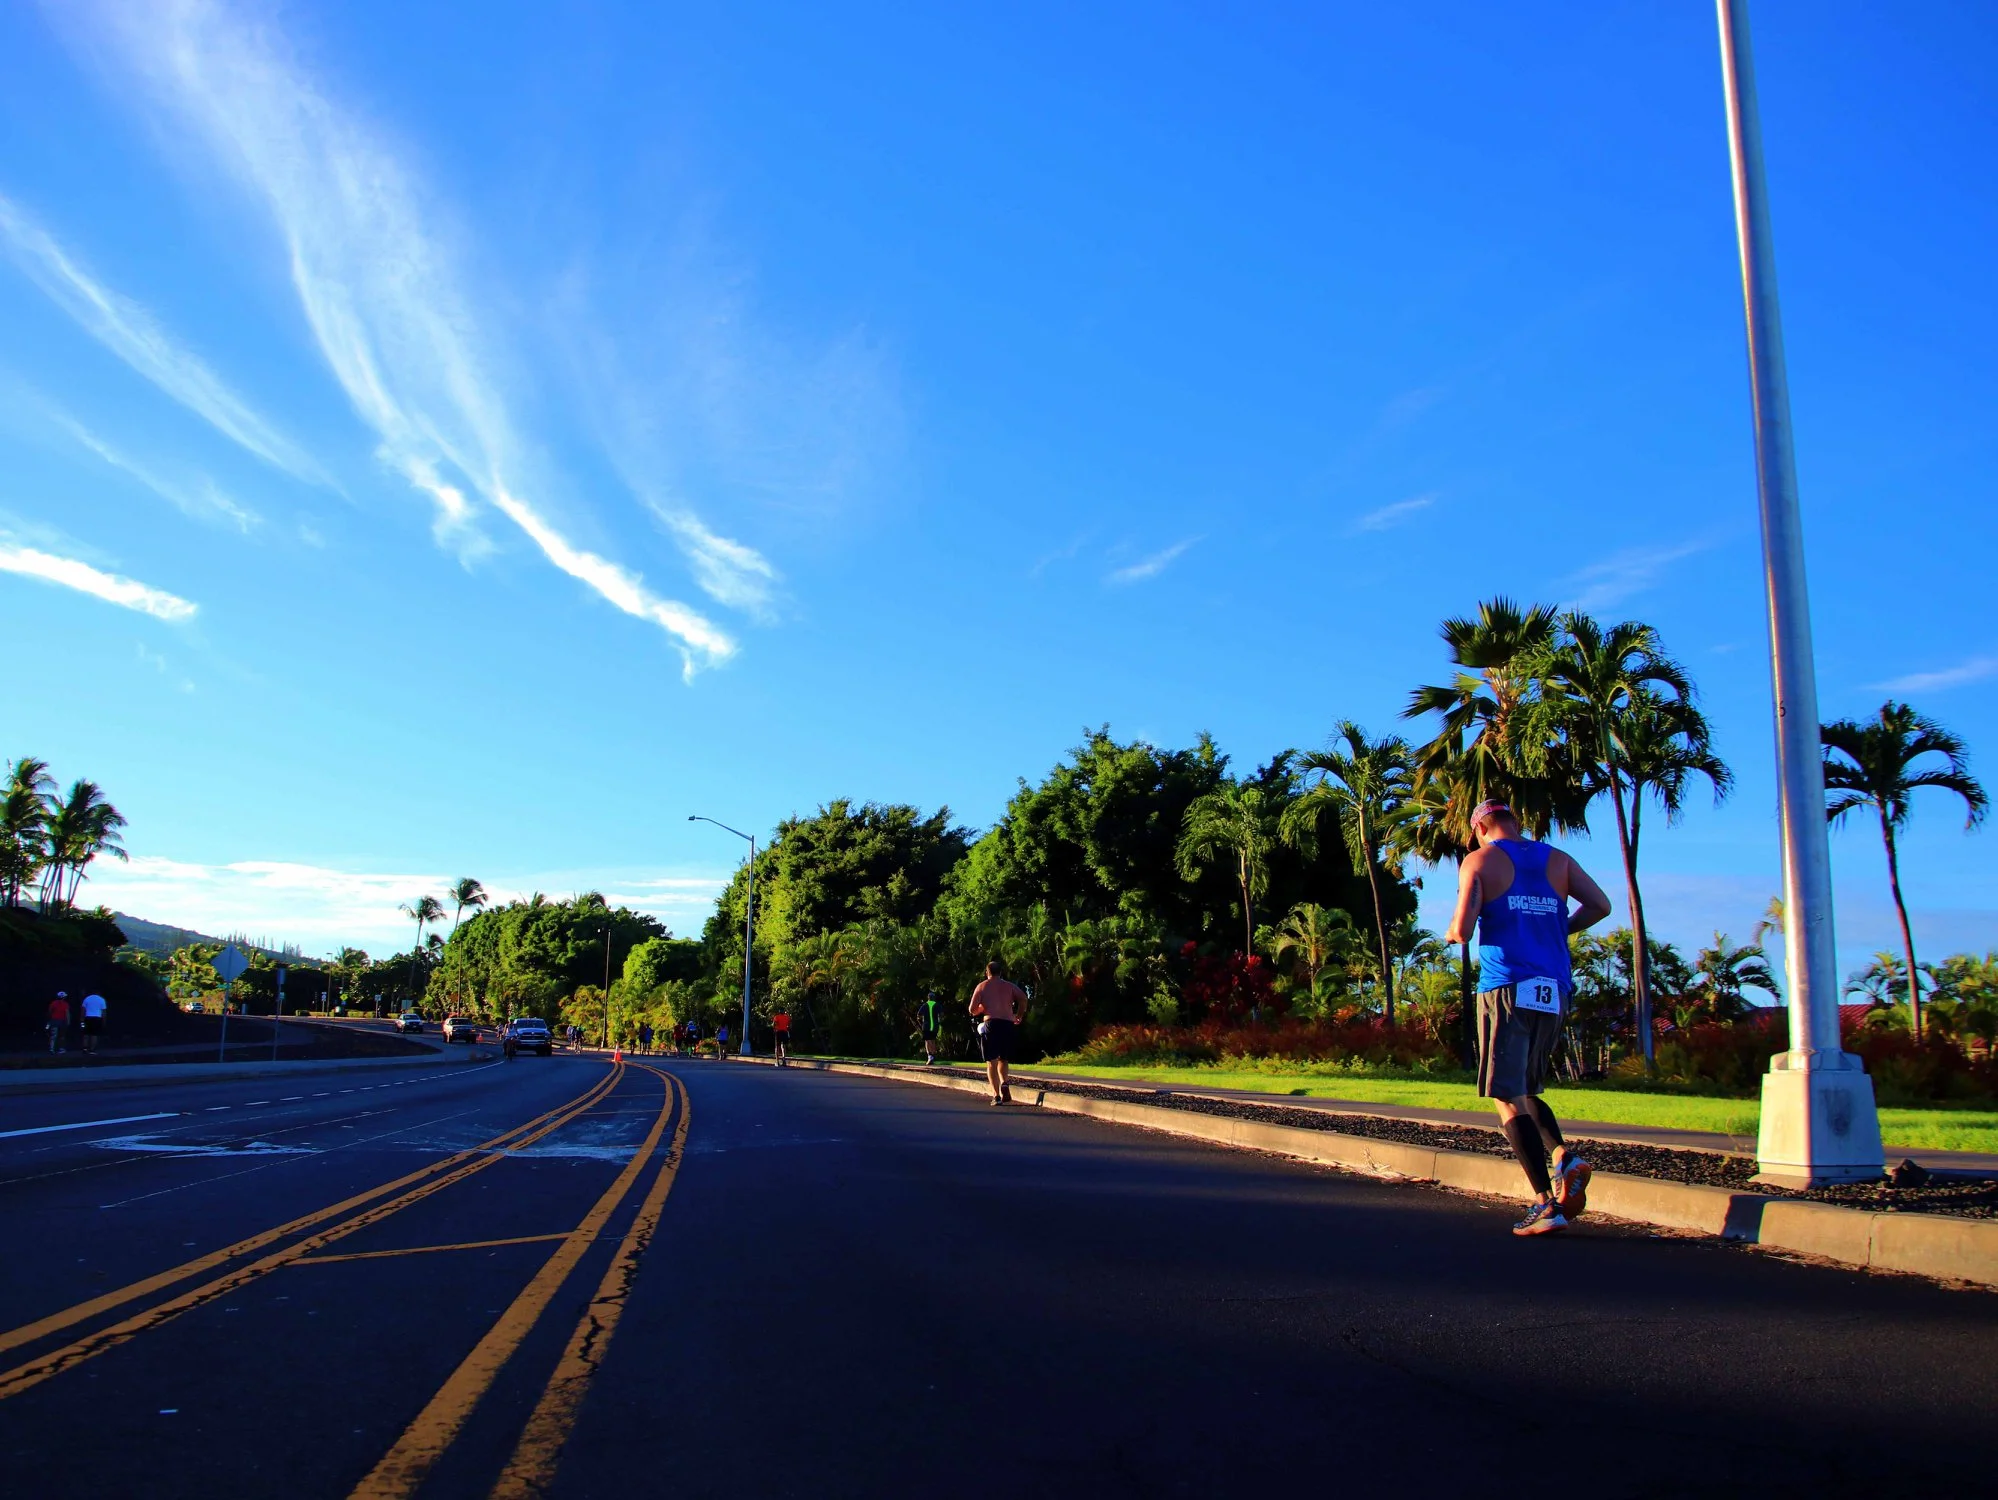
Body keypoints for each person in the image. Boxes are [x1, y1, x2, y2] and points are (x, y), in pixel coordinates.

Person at [1444, 799, 1612, 1237]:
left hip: (1507, 986)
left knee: (1504, 1094)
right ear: (1515, 823)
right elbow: (1601, 905)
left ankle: (1545, 1203)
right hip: (1553, 988)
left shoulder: (1479, 860)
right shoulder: (1557, 859)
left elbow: (1462, 929)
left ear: (1481, 829)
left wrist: (1452, 930)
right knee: (1524, 1085)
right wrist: (1556, 928)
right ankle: (1565, 1159)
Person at [967, 960, 1028, 1105]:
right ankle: (1005, 1083)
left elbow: (972, 1009)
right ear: (1000, 972)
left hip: (991, 1024)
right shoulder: (1009, 986)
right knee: (1003, 1058)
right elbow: (1023, 998)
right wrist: (1018, 1015)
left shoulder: (982, 986)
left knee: (991, 1062)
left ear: (987, 972)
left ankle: (996, 1096)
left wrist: (981, 1008)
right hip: (1007, 1023)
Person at [79, 991, 107, 1056]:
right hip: (97, 1018)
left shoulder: (87, 998)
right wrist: (104, 1021)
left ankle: (85, 1049)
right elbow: (104, 1012)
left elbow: (83, 1010)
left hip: (87, 1017)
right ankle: (92, 1050)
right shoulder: (101, 1000)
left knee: (86, 1034)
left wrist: (81, 1020)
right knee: (94, 1035)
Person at [919, 991, 942, 1065]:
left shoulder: (925, 1005)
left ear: (928, 998)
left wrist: (921, 1020)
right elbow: (941, 1015)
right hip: (935, 1026)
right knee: (932, 1040)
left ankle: (930, 1056)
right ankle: (933, 1056)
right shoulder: (937, 1005)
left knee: (927, 1041)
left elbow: (918, 1015)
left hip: (926, 1026)